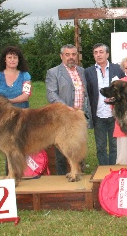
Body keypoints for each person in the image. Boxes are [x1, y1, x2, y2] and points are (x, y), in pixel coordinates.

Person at [0, 46, 31, 186]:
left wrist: (8, 102)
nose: (12, 60)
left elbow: (26, 95)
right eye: (10, 57)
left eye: (15, 57)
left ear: (19, 60)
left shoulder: (25, 75)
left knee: (14, 147)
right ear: (5, 59)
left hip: (20, 116)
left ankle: (11, 175)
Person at [46, 44, 91, 175]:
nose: (71, 57)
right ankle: (61, 179)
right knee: (62, 149)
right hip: (62, 117)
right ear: (61, 56)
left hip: (79, 118)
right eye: (67, 54)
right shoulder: (53, 72)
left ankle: (79, 172)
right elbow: (51, 94)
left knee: (78, 146)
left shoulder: (82, 71)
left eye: (73, 54)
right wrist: (67, 109)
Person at [84, 43, 126, 165]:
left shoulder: (117, 69)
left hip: (115, 114)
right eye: (95, 52)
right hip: (98, 115)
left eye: (101, 52)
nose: (98, 55)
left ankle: (113, 170)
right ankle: (103, 171)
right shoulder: (88, 72)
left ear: (107, 54)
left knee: (114, 146)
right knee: (100, 147)